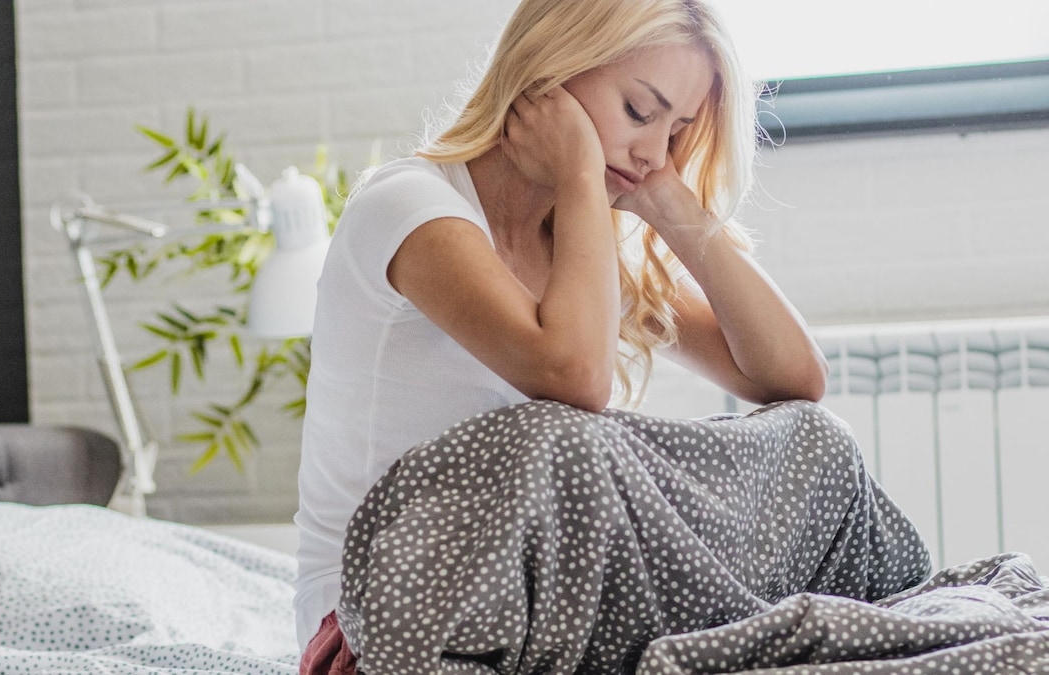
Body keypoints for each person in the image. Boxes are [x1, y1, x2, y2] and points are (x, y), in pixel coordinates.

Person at [293, 0, 918, 672]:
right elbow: (574, 381)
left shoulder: (579, 252)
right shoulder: (408, 206)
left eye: (676, 133)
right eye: (638, 112)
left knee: (815, 440)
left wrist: (674, 204)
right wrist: (583, 177)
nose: (652, 153)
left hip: (541, 601)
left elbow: (794, 378)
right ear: (549, 72)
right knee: (563, 438)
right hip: (380, 618)